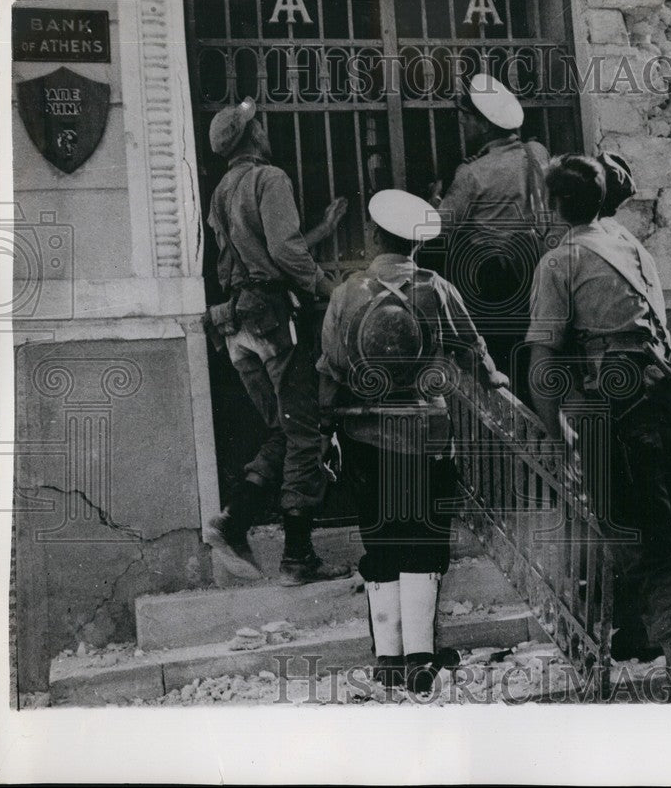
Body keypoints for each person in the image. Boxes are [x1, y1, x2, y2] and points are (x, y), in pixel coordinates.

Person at [525, 154, 671, 702]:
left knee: (652, 545)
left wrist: (552, 427)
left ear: (551, 204)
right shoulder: (630, 246)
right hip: (666, 400)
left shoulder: (559, 261)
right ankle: (636, 636)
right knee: (650, 521)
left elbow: (543, 360)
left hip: (622, 412)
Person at [317, 189, 508, 692]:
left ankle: (388, 662)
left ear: (375, 236)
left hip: (362, 433)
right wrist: (496, 382)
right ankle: (423, 660)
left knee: (380, 537)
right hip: (426, 431)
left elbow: (331, 367)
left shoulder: (346, 292)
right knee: (424, 537)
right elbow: (471, 348)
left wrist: (326, 425)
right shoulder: (436, 288)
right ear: (416, 245)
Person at [202, 96, 351, 587]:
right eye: (257, 125)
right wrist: (327, 289)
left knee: (284, 428)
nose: (264, 129)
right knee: (306, 433)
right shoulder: (271, 178)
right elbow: (284, 253)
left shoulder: (223, 188)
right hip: (272, 320)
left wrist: (323, 230)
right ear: (253, 137)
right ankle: (298, 557)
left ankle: (233, 520)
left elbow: (255, 255)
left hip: (237, 325)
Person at [426, 73, 550, 386]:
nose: (463, 125)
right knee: (534, 350)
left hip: (493, 278)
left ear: (484, 124)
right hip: (537, 267)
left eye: (466, 119)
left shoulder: (472, 172)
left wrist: (436, 198)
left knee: (499, 355)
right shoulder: (537, 152)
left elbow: (438, 229)